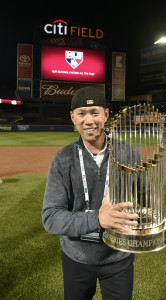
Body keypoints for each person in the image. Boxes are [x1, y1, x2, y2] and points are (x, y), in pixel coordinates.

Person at [42, 86, 139, 300]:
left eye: (95, 112)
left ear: (106, 114)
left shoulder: (129, 154)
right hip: (77, 258)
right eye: (81, 114)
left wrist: (154, 219)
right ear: (73, 117)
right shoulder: (62, 160)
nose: (89, 120)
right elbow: (50, 218)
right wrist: (97, 218)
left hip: (118, 258)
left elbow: (144, 198)